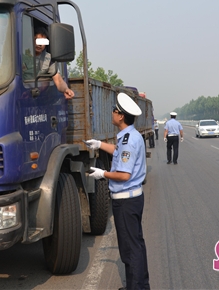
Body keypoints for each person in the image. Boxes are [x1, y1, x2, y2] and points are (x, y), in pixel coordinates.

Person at [85, 93, 150, 290]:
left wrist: (102, 173)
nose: (112, 113)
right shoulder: (129, 135)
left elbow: (123, 175)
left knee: (132, 249)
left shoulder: (129, 139)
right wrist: (99, 144)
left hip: (126, 202)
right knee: (131, 246)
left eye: (114, 110)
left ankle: (138, 288)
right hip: (129, 200)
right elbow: (118, 151)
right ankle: (134, 286)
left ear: (120, 116)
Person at [26, 26, 74, 100]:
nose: (39, 45)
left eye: (43, 42)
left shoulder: (48, 59)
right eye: (37, 40)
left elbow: (58, 80)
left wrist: (66, 89)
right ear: (30, 40)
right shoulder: (22, 55)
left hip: (38, 97)